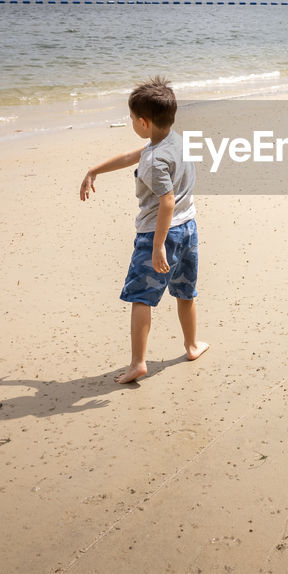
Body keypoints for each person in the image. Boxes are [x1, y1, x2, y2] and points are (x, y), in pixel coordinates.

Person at [80, 77, 208, 384]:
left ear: (143, 122)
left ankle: (138, 363)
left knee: (141, 298)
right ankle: (192, 345)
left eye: (132, 120)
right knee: (185, 292)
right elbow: (133, 156)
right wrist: (94, 169)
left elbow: (165, 201)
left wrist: (158, 245)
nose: (131, 125)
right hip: (188, 229)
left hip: (158, 234)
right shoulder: (174, 141)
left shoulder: (153, 159)